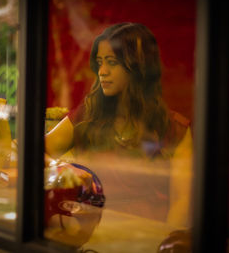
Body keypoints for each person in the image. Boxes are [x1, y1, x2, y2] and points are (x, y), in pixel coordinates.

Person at [45, 22, 193, 228]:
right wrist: (63, 171)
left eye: (112, 62)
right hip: (87, 229)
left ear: (137, 67)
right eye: (100, 62)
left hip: (145, 234)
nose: (102, 71)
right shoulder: (88, 115)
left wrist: (164, 244)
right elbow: (38, 150)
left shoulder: (174, 129)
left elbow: (182, 203)